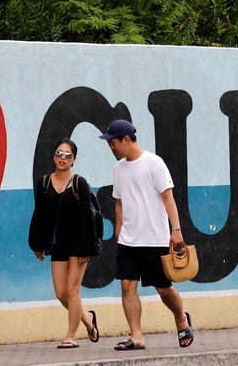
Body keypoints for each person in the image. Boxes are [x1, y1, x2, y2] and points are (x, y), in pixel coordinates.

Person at [99, 119, 194, 350]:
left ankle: (181, 318)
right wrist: (120, 229)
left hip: (155, 239)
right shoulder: (118, 168)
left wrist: (177, 230)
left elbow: (168, 197)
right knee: (127, 285)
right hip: (128, 241)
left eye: (113, 142)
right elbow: (119, 202)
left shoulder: (154, 163)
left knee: (163, 288)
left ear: (127, 139)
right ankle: (137, 335)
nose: (111, 147)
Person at [28, 138, 101, 349]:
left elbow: (88, 217)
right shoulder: (43, 183)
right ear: (53, 157)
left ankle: (71, 336)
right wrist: (37, 244)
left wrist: (86, 247)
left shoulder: (79, 183)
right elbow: (40, 215)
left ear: (74, 160)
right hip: (58, 244)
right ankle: (88, 319)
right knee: (60, 293)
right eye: (59, 153)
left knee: (72, 290)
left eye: (68, 155)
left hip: (79, 244)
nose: (63, 158)